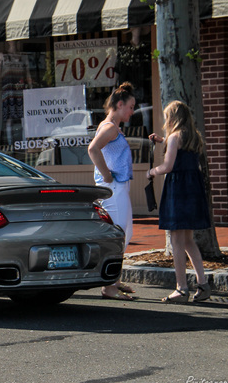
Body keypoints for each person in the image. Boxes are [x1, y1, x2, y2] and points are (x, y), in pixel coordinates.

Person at [147, 101, 212, 303]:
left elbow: (168, 166)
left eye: (167, 117)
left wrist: (151, 171)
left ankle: (181, 288)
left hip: (178, 190)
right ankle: (203, 284)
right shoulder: (193, 137)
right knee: (188, 240)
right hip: (193, 191)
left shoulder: (174, 137)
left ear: (173, 118)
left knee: (176, 240)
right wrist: (161, 140)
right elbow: (178, 147)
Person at [88, 82, 136, 300]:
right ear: (119, 104)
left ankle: (114, 280)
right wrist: (106, 174)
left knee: (123, 234)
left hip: (116, 187)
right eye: (130, 107)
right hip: (113, 187)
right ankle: (109, 286)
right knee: (119, 236)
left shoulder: (109, 126)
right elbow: (93, 148)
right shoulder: (109, 127)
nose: (132, 112)